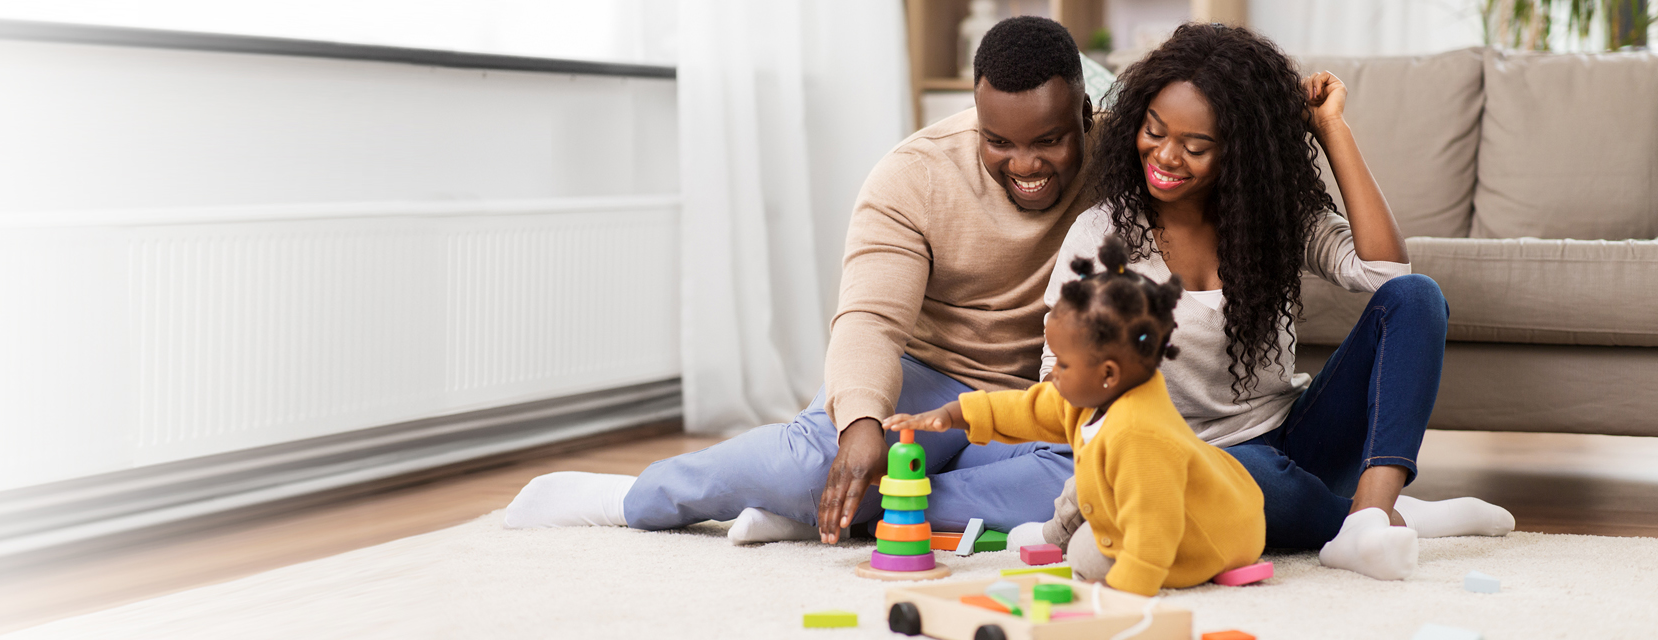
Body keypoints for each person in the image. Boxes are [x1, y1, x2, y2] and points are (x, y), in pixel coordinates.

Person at [503, 17, 1096, 544]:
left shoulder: (1120, 164)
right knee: (822, 463)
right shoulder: (913, 176)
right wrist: (862, 423)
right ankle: (630, 499)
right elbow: (870, 320)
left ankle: (858, 509)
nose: (1024, 165)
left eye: (1048, 141)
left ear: (1086, 114)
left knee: (1098, 475)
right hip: (925, 379)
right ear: (976, 116)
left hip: (1032, 398)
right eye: (999, 142)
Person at [1041, 23, 1513, 581]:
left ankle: (1370, 513)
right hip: (1193, 465)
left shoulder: (1272, 220)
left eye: (1196, 147)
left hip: (1295, 437)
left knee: (1416, 298)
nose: (1166, 156)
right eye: (1154, 131)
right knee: (1240, 480)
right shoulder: (1102, 236)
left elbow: (1385, 271)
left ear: (1239, 154)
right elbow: (1058, 382)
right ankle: (1379, 518)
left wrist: (1330, 127)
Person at [886, 235, 1264, 596]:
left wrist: (1128, 587)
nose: (1053, 373)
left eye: (1064, 365)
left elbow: (1154, 528)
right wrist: (956, 414)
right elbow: (1027, 409)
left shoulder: (1140, 436)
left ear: (1108, 374)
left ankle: (1076, 541)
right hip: (1192, 496)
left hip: (1211, 535)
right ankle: (1061, 533)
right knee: (1092, 502)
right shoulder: (1088, 398)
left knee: (1089, 555)